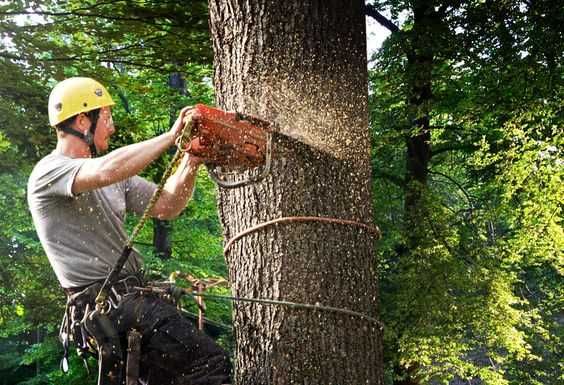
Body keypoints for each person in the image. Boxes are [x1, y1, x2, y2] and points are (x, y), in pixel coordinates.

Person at [27, 77, 231, 385]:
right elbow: (107, 169)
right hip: (111, 306)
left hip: (133, 302)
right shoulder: (50, 171)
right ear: (83, 120)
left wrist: (191, 159)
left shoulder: (113, 177)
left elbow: (167, 204)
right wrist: (172, 135)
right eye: (106, 118)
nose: (112, 127)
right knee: (208, 362)